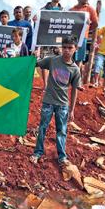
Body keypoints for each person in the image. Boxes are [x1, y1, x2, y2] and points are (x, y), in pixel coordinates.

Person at [30, 36, 80, 166]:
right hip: (48, 102)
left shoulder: (75, 69)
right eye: (64, 47)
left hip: (63, 105)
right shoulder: (52, 61)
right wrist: (33, 56)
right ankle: (37, 152)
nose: (67, 50)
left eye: (70, 48)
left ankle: (62, 157)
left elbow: (74, 90)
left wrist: (72, 109)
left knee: (61, 131)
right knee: (42, 128)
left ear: (75, 49)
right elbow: (35, 63)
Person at [69, 0, 98, 69]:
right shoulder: (71, 10)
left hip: (83, 38)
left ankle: (77, 79)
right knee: (69, 57)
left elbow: (95, 23)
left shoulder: (90, 9)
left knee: (79, 59)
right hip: (71, 38)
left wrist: (88, 28)